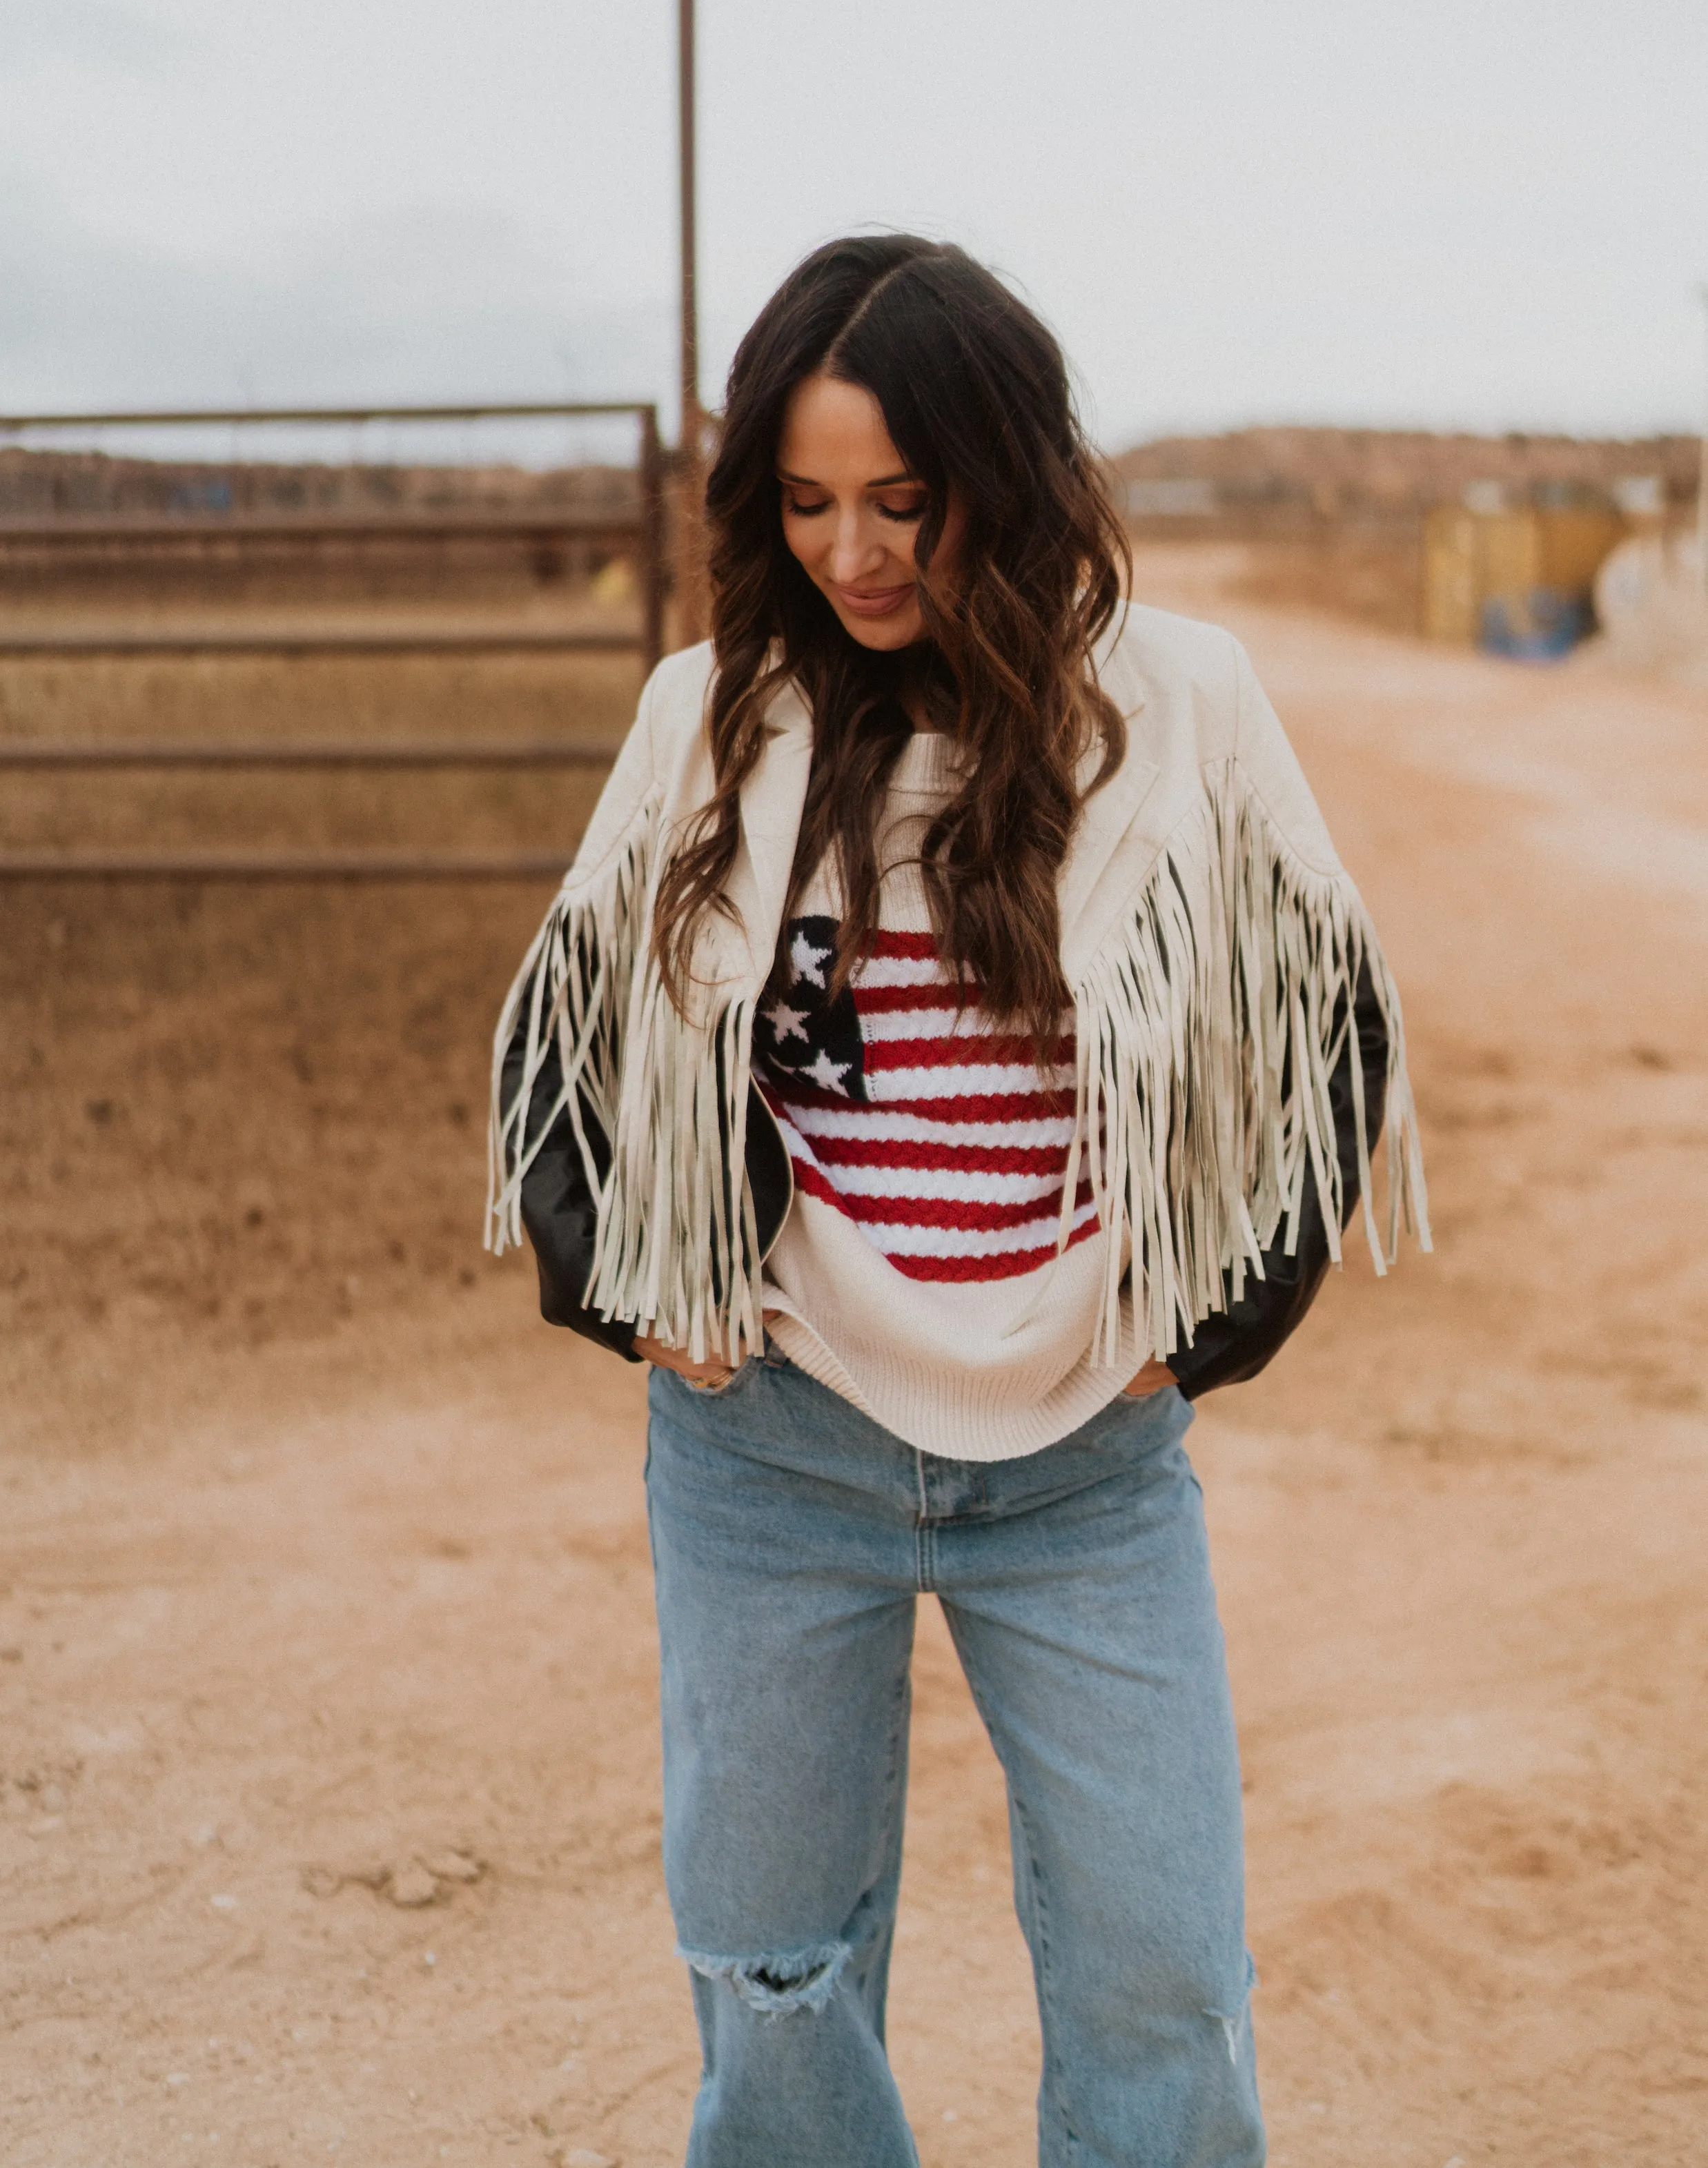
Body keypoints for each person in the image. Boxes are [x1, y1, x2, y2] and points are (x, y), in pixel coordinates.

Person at [487, 235, 1427, 2168]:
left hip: (1087, 1468)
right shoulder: (706, 716)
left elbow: (1330, 1013)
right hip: (773, 1450)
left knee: (1166, 1983)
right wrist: (622, 1286)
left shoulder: (1179, 702)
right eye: (806, 501)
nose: (853, 551)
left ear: (1006, 472)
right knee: (775, 1981)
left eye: (903, 499)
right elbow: (558, 1037)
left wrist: (1228, 1311)